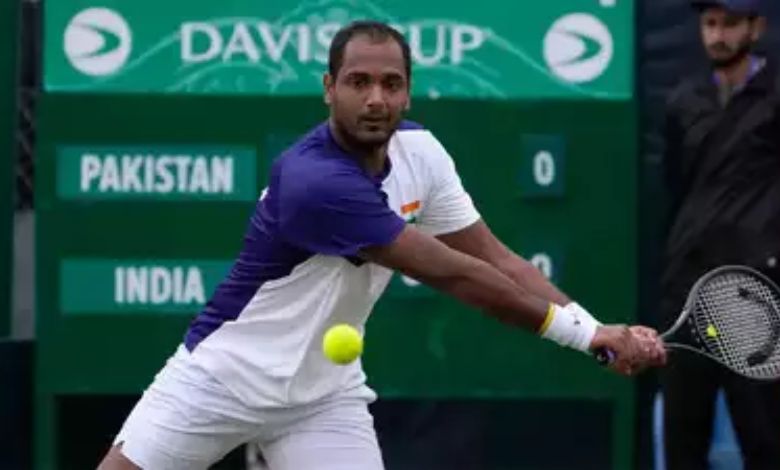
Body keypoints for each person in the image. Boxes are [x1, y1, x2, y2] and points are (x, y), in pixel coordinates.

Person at [98, 20, 665, 470]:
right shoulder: (315, 183)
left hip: (323, 396)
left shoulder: (421, 154)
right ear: (329, 89)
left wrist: (597, 331)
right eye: (358, 82)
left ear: (408, 94)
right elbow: (459, 276)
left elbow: (498, 259)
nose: (375, 99)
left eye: (391, 84)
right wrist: (590, 336)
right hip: (222, 379)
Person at [660, 1, 780, 468]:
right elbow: (674, 184)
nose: (718, 36)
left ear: (757, 28)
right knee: (682, 441)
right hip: (686, 292)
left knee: (765, 441)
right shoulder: (683, 102)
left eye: (729, 24)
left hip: (756, 296)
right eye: (710, 24)